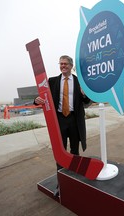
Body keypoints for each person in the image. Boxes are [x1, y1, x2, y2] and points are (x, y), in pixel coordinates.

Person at [34, 55, 91, 196]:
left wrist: (85, 95)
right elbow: (41, 97)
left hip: (74, 119)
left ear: (71, 66)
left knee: (74, 150)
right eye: (61, 64)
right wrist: (36, 100)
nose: (63, 66)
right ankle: (61, 184)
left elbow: (87, 101)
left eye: (65, 64)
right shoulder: (52, 81)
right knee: (60, 152)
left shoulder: (79, 82)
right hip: (59, 120)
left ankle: (75, 179)